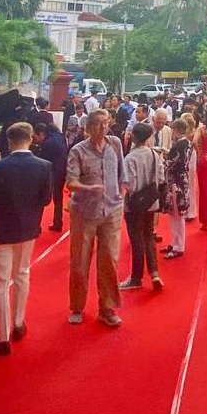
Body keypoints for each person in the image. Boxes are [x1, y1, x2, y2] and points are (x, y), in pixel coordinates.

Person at [0, 123, 52, 356]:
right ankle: (18, 323)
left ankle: (2, 337)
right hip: (28, 228)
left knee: (0, 283)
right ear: (31, 139)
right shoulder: (44, 166)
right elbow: (46, 199)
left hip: (1, 229)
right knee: (22, 274)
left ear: (8, 142)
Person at [66, 109, 126, 327]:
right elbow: (71, 182)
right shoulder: (78, 151)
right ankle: (77, 306)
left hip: (112, 209)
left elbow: (122, 172)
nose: (103, 128)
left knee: (109, 259)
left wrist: (121, 193)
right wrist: (89, 188)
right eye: (98, 124)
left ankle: (107, 306)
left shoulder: (115, 144)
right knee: (80, 260)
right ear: (88, 128)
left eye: (106, 123)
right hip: (84, 212)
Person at [119, 122, 165, 291]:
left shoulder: (130, 158)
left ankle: (136, 277)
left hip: (134, 204)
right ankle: (154, 272)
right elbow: (161, 177)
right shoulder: (154, 154)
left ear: (134, 137)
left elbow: (129, 184)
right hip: (151, 201)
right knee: (148, 236)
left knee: (136, 239)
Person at [161, 118, 192, 259]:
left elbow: (169, 164)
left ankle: (179, 246)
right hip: (182, 180)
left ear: (176, 130)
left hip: (175, 183)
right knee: (176, 214)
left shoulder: (178, 145)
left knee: (176, 214)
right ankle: (175, 242)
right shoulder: (188, 143)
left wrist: (161, 158)